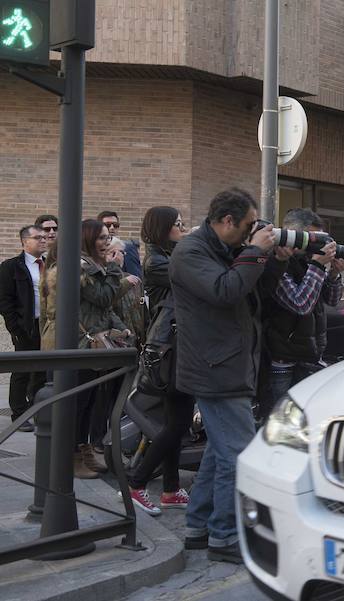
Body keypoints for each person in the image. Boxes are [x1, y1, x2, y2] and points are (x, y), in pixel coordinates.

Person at [169, 188, 278, 563]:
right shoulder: (191, 251)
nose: (251, 231)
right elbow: (225, 290)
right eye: (249, 225)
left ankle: (199, 527)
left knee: (219, 453)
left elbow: (257, 292)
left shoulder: (224, 248)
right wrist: (255, 251)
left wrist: (272, 256)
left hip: (228, 364)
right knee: (240, 455)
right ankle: (225, 535)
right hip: (215, 368)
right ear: (228, 221)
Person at [41, 219, 131, 479]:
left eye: (107, 237)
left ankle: (83, 450)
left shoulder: (92, 266)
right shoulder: (78, 268)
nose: (107, 242)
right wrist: (114, 268)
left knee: (89, 401)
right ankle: (70, 457)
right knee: (76, 404)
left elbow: (103, 308)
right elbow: (104, 297)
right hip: (75, 343)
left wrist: (122, 328)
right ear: (87, 240)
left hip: (89, 343)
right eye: (101, 238)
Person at [125, 206, 193, 516]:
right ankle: (136, 483)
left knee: (176, 423)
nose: (183, 229)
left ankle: (170, 489)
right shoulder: (157, 262)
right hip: (170, 351)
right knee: (176, 424)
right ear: (163, 228)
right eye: (178, 224)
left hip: (174, 349)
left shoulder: (168, 255)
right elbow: (193, 276)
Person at [262, 209, 344, 407]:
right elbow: (300, 304)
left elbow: (332, 300)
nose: (316, 244)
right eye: (312, 238)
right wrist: (317, 265)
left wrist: (334, 275)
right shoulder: (275, 262)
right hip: (282, 360)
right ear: (293, 234)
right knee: (278, 415)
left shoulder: (309, 261)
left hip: (310, 355)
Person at [0, 226, 49, 432]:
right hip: (25, 326)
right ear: (24, 242)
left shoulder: (50, 264)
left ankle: (36, 409)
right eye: (38, 237)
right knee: (22, 370)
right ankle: (19, 414)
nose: (43, 240)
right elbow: (4, 300)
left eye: (44, 237)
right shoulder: (11, 266)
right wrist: (15, 328)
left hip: (47, 326)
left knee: (42, 370)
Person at [98, 211, 142, 278]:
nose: (112, 228)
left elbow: (135, 277)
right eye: (107, 225)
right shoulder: (94, 249)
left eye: (115, 225)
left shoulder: (127, 248)